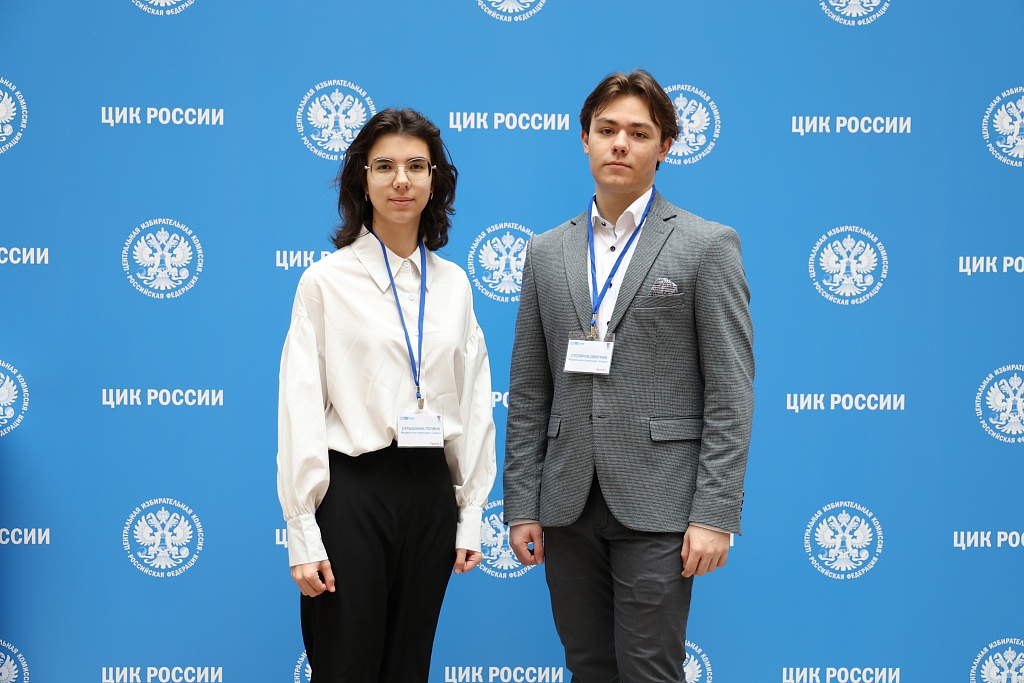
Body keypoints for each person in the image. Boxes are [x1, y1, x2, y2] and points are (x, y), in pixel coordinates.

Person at [503, 70, 754, 682]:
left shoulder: (706, 245)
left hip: (661, 503)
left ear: (665, 146)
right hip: (566, 503)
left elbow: (730, 393)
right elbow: (530, 390)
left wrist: (715, 513)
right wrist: (522, 504)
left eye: (639, 133)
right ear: (584, 139)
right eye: (607, 129)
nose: (620, 143)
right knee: (588, 667)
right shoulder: (545, 252)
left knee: (649, 671)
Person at [277, 108, 496, 683]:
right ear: (363, 178)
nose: (402, 180)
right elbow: (300, 406)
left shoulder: (455, 285)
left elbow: (473, 401)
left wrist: (470, 511)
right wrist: (302, 530)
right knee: (345, 666)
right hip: (354, 492)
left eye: (416, 166)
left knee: (408, 668)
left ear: (435, 180)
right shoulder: (326, 282)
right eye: (385, 166)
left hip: (430, 494)